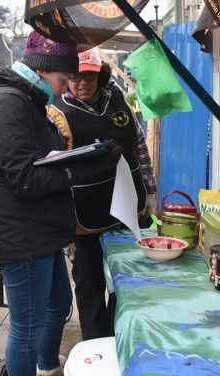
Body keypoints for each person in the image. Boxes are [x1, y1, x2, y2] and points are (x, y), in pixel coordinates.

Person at [0, 31, 122, 376]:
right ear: (45, 68)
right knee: (27, 323)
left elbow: (42, 160)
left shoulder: (27, 99)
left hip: (41, 231)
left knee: (57, 304)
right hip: (22, 236)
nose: (66, 86)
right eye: (62, 78)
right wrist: (81, 168)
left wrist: (83, 157)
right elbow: (25, 177)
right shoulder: (7, 104)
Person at [49, 48, 157, 340]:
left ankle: (121, 340)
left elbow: (138, 146)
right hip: (84, 217)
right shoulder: (56, 113)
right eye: (75, 75)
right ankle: (97, 349)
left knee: (126, 282)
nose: (82, 82)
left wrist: (150, 189)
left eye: (89, 75)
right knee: (90, 285)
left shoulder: (117, 99)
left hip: (126, 210)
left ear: (101, 75)